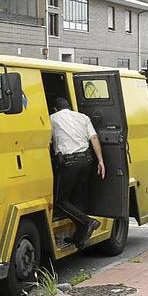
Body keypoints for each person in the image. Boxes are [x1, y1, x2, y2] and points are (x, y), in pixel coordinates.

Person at [50, 98, 105, 249]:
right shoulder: (83, 117)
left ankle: (88, 222)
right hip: (87, 161)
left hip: (70, 162)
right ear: (69, 107)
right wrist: (100, 161)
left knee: (60, 200)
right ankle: (79, 239)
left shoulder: (52, 118)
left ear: (56, 109)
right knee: (77, 200)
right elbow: (93, 138)